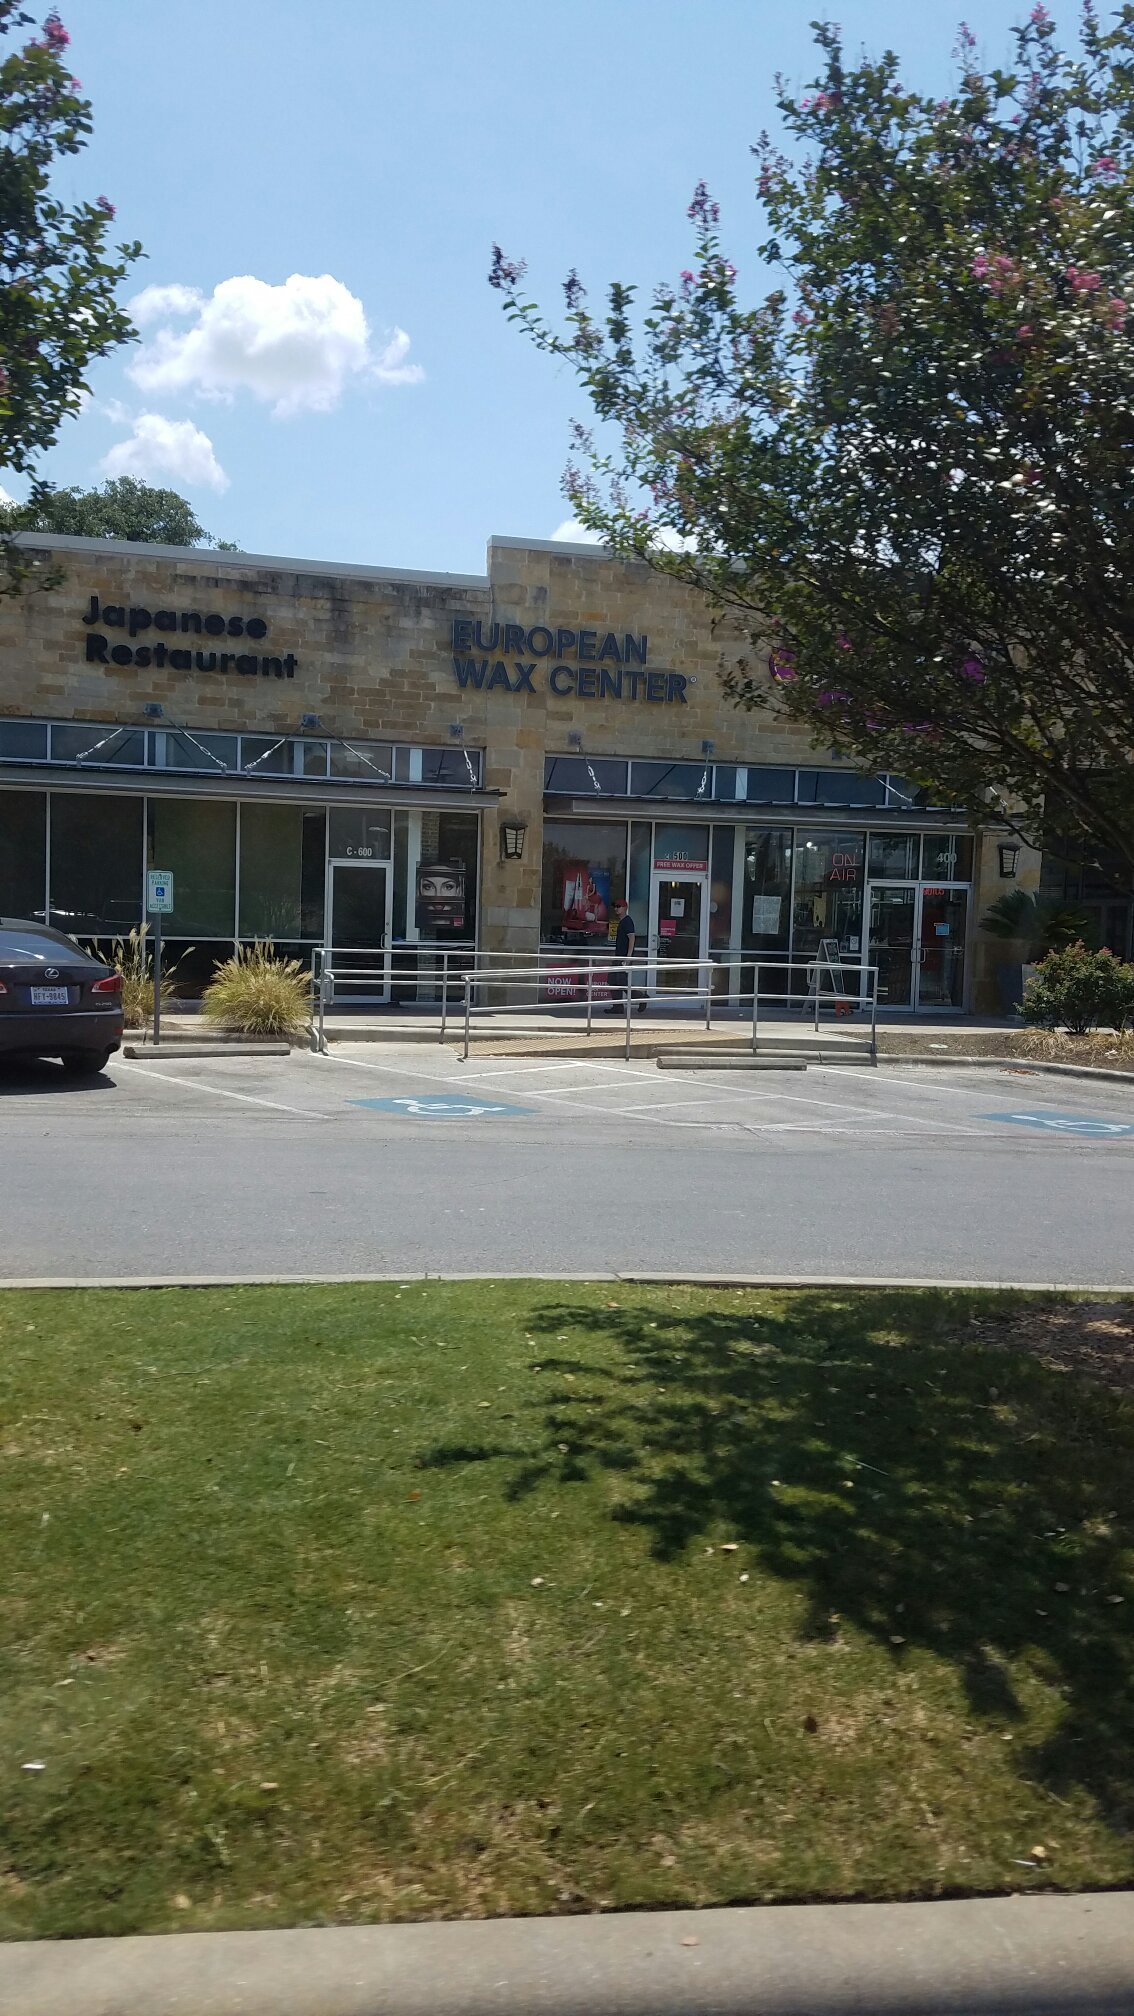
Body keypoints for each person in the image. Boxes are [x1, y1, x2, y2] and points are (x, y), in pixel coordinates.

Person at [606, 898, 646, 1014]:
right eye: (615, 906)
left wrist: (628, 957)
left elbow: (632, 938)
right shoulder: (622, 922)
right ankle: (617, 1006)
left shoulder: (627, 921)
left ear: (625, 908)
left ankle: (641, 997)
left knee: (621, 981)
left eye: (619, 906)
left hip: (623, 957)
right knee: (612, 980)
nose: (616, 908)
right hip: (618, 956)